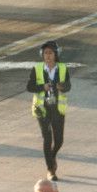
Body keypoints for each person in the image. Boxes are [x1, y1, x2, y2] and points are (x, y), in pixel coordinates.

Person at [27, 40, 71, 179]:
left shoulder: (63, 68)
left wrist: (62, 86)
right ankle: (51, 170)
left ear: (56, 54)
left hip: (57, 108)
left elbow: (69, 86)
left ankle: (51, 158)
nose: (47, 56)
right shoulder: (37, 68)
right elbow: (29, 87)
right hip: (42, 109)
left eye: (50, 53)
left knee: (59, 141)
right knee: (47, 138)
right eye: (45, 53)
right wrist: (42, 87)